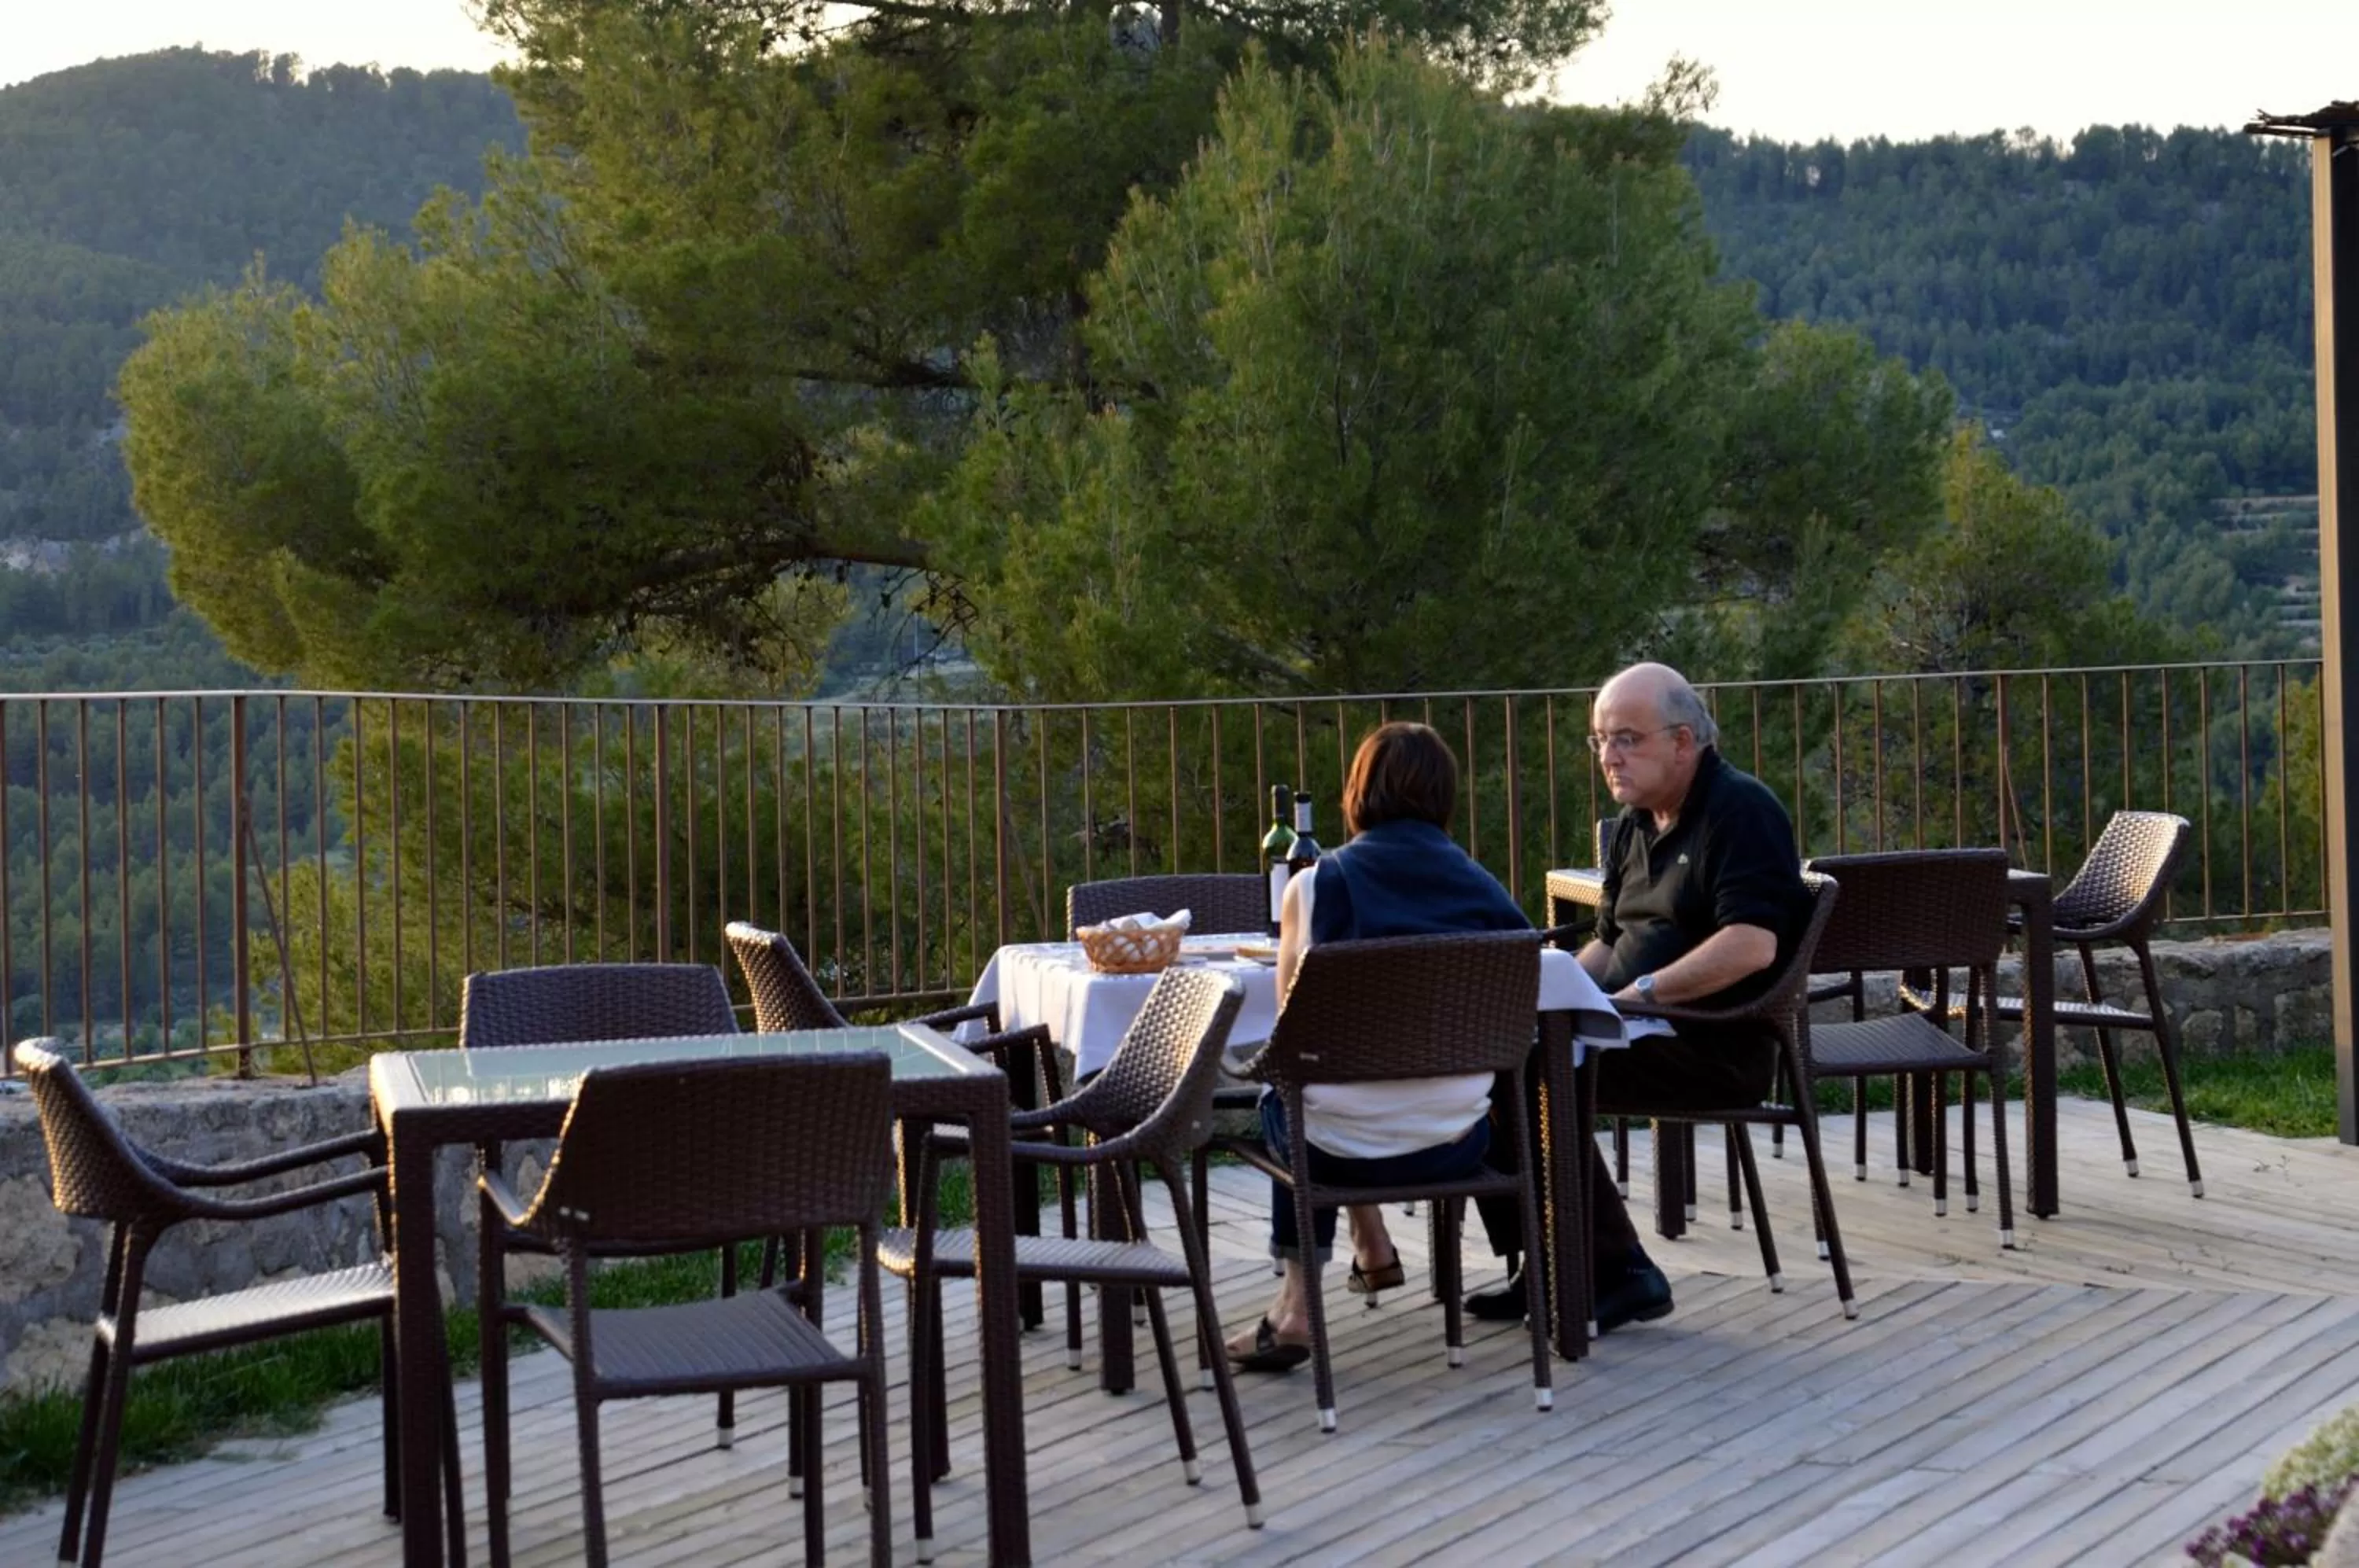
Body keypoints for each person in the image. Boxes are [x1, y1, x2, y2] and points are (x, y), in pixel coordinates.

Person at [1467, 661, 1812, 1333]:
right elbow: (1607, 943)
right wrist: (1545, 987)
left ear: (1684, 742)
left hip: (1711, 1041)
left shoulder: (1742, 811)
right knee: (1497, 1048)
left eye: (1627, 738)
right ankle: (1540, 1262)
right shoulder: (1634, 823)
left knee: (1539, 1068)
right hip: (1634, 1024)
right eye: (1600, 740)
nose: (1609, 756)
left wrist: (1636, 997)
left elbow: (1752, 944)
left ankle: (1620, 1269)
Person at [1225, 721, 1532, 1372]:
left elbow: (1292, 1036)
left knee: (1293, 1091)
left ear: (1357, 794)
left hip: (1335, 1150)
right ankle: (1371, 1249)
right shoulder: (1490, 895)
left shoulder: (1313, 887)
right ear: (1446, 796)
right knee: (1326, 1095)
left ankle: (1300, 1304)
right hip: (1456, 1143)